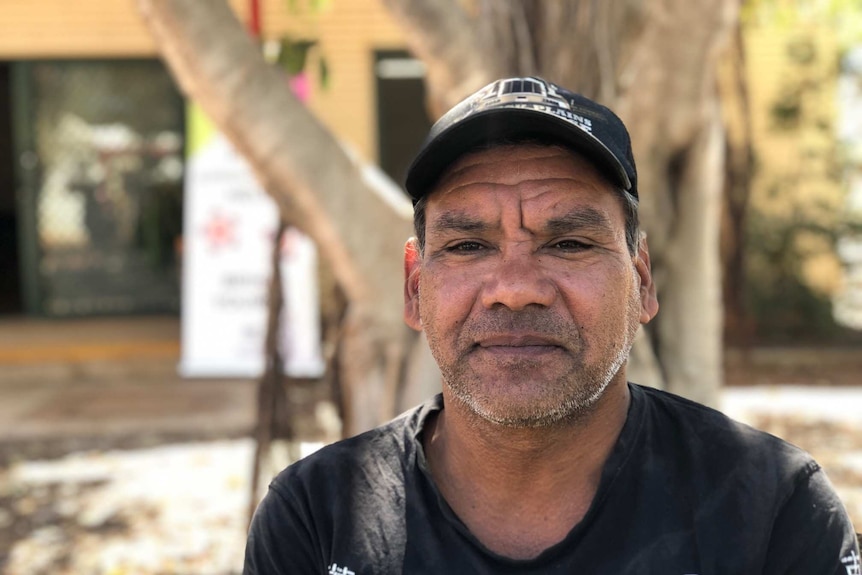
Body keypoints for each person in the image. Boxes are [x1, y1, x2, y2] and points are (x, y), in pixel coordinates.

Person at [244, 77, 860, 574]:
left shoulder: (771, 509)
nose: (515, 290)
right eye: (467, 247)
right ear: (414, 286)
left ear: (642, 282)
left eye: (567, 243)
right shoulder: (316, 518)